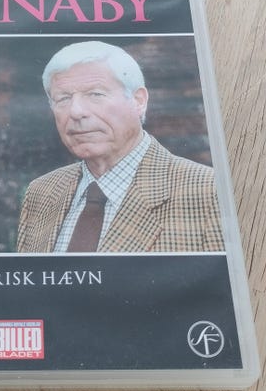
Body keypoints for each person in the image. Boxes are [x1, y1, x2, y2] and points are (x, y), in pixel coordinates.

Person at [17, 41, 224, 253]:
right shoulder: (41, 193)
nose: (76, 111)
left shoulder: (210, 192)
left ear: (138, 101)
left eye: (95, 94)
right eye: (63, 98)